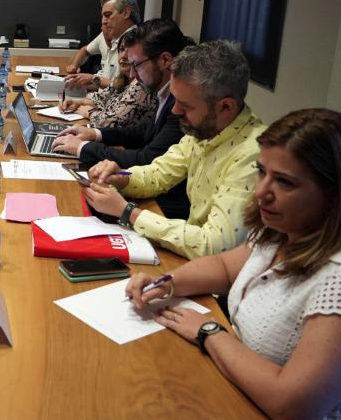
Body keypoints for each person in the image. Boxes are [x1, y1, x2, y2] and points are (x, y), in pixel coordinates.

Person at [124, 108, 341, 420]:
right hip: (234, 394)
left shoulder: (335, 280)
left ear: (333, 196)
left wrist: (209, 332)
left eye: (284, 181)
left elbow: (291, 406)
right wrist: (166, 282)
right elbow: (225, 267)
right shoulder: (283, 230)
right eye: (262, 172)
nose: (261, 192)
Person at [81, 40, 265, 258]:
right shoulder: (207, 129)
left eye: (185, 105)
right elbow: (158, 174)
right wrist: (121, 177)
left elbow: (214, 246)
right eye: (175, 100)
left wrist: (128, 212)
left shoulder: (255, 156)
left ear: (225, 106)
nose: (175, 110)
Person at [54, 19, 193, 218]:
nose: (133, 73)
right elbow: (142, 132)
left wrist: (82, 147)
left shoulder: (182, 104)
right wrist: (95, 134)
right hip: (149, 192)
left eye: (137, 64)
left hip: (165, 206)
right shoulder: (163, 92)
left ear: (165, 60)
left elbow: (148, 159)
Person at [61, 33, 157, 130]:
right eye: (122, 49)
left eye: (129, 51)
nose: (123, 56)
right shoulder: (122, 79)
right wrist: (77, 102)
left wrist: (90, 112)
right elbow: (101, 99)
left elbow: (110, 123)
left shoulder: (140, 86)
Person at [64, 0, 140, 91]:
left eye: (108, 15)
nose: (103, 21)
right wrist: (81, 82)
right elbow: (107, 88)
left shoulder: (137, 43)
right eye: (103, 16)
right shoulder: (115, 38)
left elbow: (125, 90)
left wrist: (93, 79)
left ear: (126, 13)